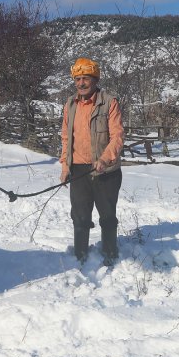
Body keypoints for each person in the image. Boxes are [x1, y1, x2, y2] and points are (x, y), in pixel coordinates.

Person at [59, 58, 125, 266]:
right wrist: (64, 166)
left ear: (95, 79)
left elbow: (118, 136)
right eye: (77, 79)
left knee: (107, 216)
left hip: (105, 172)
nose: (81, 83)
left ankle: (110, 254)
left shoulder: (109, 102)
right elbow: (66, 138)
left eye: (85, 78)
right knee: (79, 217)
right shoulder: (70, 104)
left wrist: (105, 159)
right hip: (78, 170)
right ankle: (80, 256)